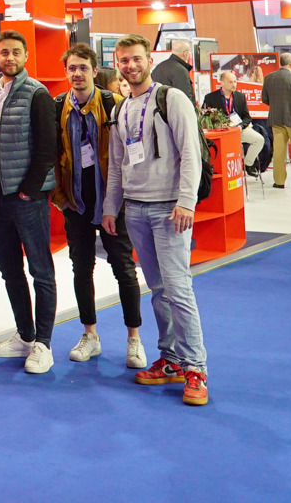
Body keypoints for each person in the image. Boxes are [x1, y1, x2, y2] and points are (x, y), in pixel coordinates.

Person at [105, 33, 209, 407]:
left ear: (149, 60)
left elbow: (190, 153)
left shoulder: (171, 98)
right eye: (124, 60)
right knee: (158, 289)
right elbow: (117, 163)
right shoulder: (120, 109)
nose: (130, 66)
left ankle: (196, 368)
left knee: (178, 288)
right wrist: (110, 206)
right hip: (135, 209)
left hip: (169, 209)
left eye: (136, 58)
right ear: (117, 64)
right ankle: (171, 359)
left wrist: (187, 201)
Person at [50, 43, 146, 369]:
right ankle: (89, 334)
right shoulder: (58, 107)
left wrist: (123, 199)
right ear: (66, 72)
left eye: (83, 68)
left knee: (124, 269)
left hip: (112, 204)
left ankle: (134, 339)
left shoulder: (113, 104)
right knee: (81, 269)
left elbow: (132, 151)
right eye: (71, 68)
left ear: (94, 70)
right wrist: (59, 197)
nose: (77, 74)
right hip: (75, 203)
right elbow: (52, 154)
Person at [0, 30, 59, 375]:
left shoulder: (36, 93)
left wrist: (29, 189)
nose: (9, 58)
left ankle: (44, 343)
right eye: (3, 52)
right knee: (10, 270)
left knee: (41, 271)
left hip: (27, 198)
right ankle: (25, 335)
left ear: (26, 56)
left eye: (15, 52)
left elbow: (47, 146)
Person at [202, 71, 265, 170]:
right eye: (230, 82)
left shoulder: (240, 96)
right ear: (222, 83)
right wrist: (218, 124)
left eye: (235, 82)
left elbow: (247, 117)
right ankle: (236, 168)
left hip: (239, 128)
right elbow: (204, 117)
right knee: (236, 146)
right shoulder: (210, 97)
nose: (234, 84)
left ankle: (248, 164)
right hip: (222, 131)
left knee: (259, 140)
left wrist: (241, 126)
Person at [261, 53, 291, 190]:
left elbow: (264, 99)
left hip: (275, 119)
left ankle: (279, 182)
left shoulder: (268, 77)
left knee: (278, 152)